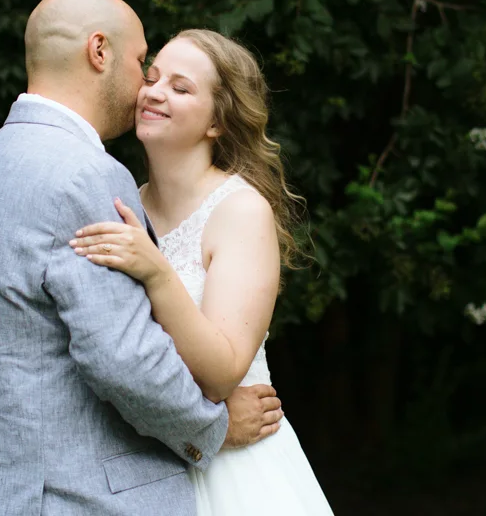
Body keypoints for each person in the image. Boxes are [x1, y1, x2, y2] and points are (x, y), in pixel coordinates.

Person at [0, 0, 284, 515]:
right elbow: (123, 356)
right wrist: (214, 427)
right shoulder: (87, 174)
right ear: (99, 52)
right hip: (77, 498)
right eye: (143, 64)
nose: (145, 87)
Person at [71, 28, 334, 514]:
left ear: (217, 122)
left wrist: (157, 272)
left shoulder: (241, 210)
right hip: (146, 466)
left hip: (238, 476)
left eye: (181, 87)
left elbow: (220, 374)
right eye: (151, 77)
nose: (154, 92)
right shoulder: (124, 199)